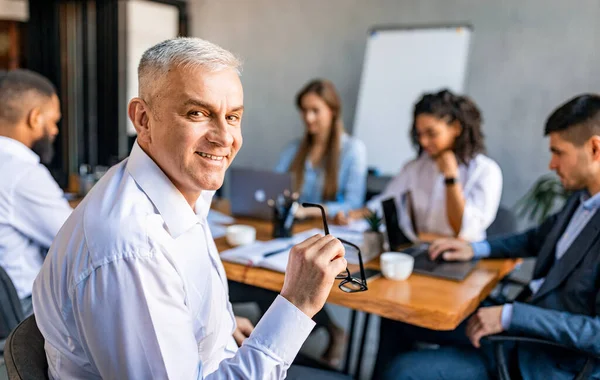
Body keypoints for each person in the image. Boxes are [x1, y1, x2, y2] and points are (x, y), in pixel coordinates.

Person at [33, 37, 350, 380]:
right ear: (143, 119)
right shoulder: (134, 248)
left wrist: (220, 325)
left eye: (233, 116)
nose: (225, 137)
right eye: (197, 113)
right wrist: (296, 304)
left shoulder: (176, 190)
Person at [378, 94, 600, 380]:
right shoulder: (581, 200)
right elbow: (534, 239)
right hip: (518, 329)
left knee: (403, 372)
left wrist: (510, 316)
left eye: (559, 153)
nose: (551, 164)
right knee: (399, 318)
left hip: (543, 357)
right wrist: (474, 248)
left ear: (595, 149)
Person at [337, 89, 502, 243]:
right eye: (420, 134)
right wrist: (352, 216)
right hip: (420, 251)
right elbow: (385, 202)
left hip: (462, 260)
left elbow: (463, 230)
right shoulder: (415, 167)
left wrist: (451, 178)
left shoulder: (486, 171)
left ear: (456, 128)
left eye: (432, 133)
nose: (423, 142)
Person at [0, 69, 71, 316]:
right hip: (22, 311)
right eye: (53, 121)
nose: (55, 131)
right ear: (34, 118)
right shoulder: (21, 172)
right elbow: (77, 239)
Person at [275, 79, 367, 220]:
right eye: (304, 110)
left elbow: (354, 204)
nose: (308, 118)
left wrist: (307, 211)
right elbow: (273, 189)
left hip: (327, 228)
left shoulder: (353, 150)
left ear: (332, 111)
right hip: (294, 226)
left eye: (315, 111)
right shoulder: (293, 149)